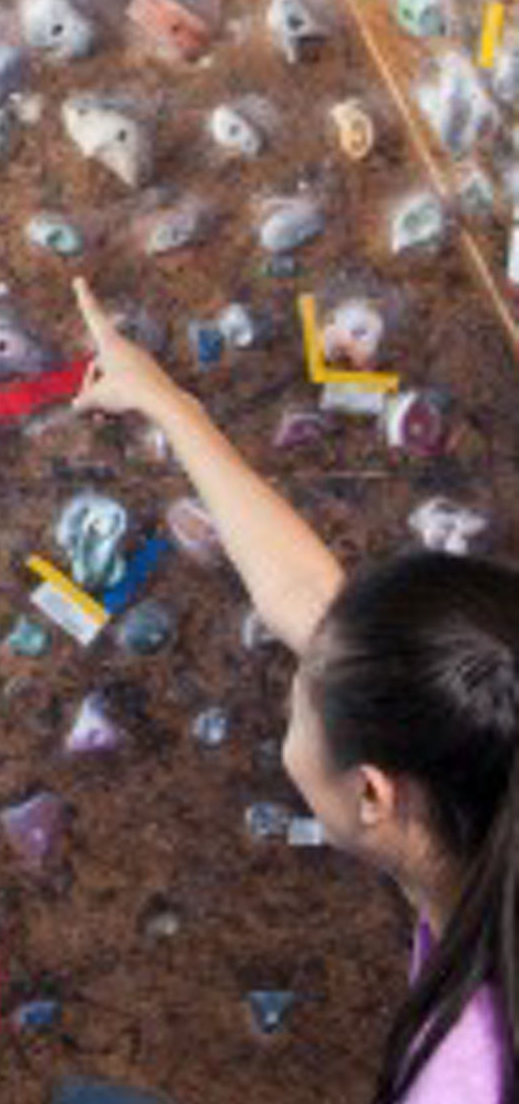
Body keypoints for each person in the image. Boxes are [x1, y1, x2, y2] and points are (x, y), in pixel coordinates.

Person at [72, 276, 518, 1103]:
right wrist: (168, 404)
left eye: (300, 704)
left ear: (373, 793)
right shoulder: (477, 796)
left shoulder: (465, 1074)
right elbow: (313, 602)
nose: (298, 687)